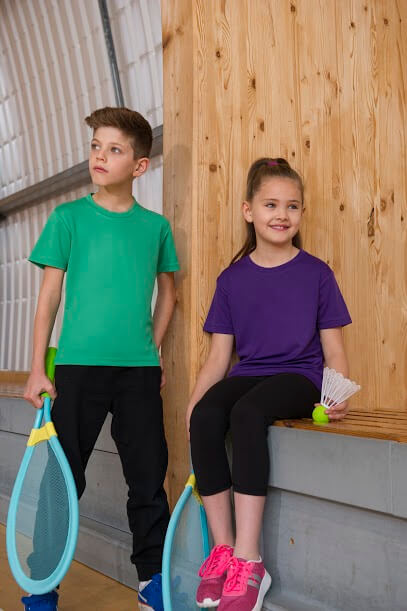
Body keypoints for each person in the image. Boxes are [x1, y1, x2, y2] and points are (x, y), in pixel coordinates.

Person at [23, 107, 179, 611]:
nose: (100, 156)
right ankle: (43, 583)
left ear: (139, 166)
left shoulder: (155, 228)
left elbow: (169, 295)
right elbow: (48, 297)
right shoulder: (67, 218)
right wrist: (37, 369)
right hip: (76, 369)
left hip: (138, 374)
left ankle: (151, 581)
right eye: (96, 146)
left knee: (148, 479)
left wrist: (153, 352)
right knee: (62, 480)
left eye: (114, 149)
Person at [187, 158, 352, 611]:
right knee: (206, 415)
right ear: (249, 211)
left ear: (302, 213)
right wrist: (195, 404)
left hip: (300, 377)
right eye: (271, 205)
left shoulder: (317, 274)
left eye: (292, 206)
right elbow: (219, 357)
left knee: (247, 414)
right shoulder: (231, 280)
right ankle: (223, 551)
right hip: (250, 375)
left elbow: (334, 349)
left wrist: (335, 393)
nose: (282, 214)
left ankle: (250, 560)